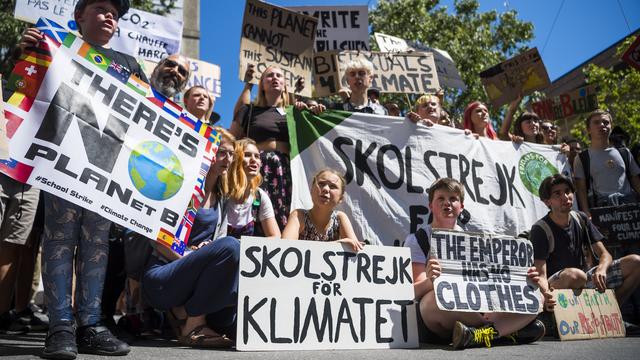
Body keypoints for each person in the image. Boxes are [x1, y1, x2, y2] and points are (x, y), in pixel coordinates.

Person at [19, 1, 143, 358]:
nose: (110, 17)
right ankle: (60, 328)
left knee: (97, 244)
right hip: (64, 162)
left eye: (115, 14)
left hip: (106, 168)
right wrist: (27, 53)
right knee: (59, 239)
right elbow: (26, 92)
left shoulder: (130, 66)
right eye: (102, 8)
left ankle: (90, 325)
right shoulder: (54, 48)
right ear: (79, 17)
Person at [405, 178, 545, 349]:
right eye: (440, 199)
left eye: (453, 199)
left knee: (537, 298)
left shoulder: (475, 241)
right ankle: (502, 331)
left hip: (477, 309)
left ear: (461, 207)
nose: (447, 203)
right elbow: (412, 292)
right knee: (434, 299)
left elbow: (490, 283)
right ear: (431, 206)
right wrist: (431, 280)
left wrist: (523, 279)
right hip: (438, 317)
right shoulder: (417, 240)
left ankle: (479, 334)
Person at [140, 128, 238, 348]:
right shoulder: (180, 187)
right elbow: (157, 240)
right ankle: (193, 324)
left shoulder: (222, 198)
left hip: (193, 279)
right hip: (163, 275)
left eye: (231, 154)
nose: (228, 159)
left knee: (235, 326)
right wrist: (192, 255)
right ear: (207, 153)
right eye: (222, 152)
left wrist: (207, 250)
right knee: (231, 246)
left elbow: (217, 242)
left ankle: (185, 313)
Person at [531, 174, 640, 307]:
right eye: (557, 194)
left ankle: (612, 309)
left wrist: (601, 269)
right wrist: (546, 294)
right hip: (558, 284)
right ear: (547, 202)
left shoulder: (580, 218)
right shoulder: (540, 229)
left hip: (585, 279)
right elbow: (540, 274)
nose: (565, 197)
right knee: (575, 275)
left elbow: (605, 254)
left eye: (567, 191)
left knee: (636, 262)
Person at [229, 66, 296, 230]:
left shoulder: (292, 112)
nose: (274, 78)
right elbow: (233, 137)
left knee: (283, 212)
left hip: (284, 170)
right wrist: (247, 85)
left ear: (285, 84)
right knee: (256, 208)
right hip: (256, 168)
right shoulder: (250, 110)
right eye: (269, 76)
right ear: (262, 84)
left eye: (279, 75)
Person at [573, 110, 640, 215]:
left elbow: (636, 181)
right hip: (602, 211)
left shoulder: (624, 152)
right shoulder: (582, 158)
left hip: (630, 208)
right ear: (588, 129)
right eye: (596, 122)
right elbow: (581, 189)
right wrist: (586, 212)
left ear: (611, 127)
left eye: (605, 122)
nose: (601, 125)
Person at [282, 169, 362, 252]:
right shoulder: (298, 215)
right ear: (311, 189)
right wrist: (336, 246)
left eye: (333, 186)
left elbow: (355, 249)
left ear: (341, 198)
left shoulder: (340, 218)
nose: (325, 189)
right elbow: (285, 247)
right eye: (321, 184)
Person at [226, 139, 280, 238]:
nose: (254, 160)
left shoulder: (259, 196)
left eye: (257, 156)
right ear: (235, 159)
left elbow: (275, 236)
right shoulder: (221, 191)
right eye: (247, 155)